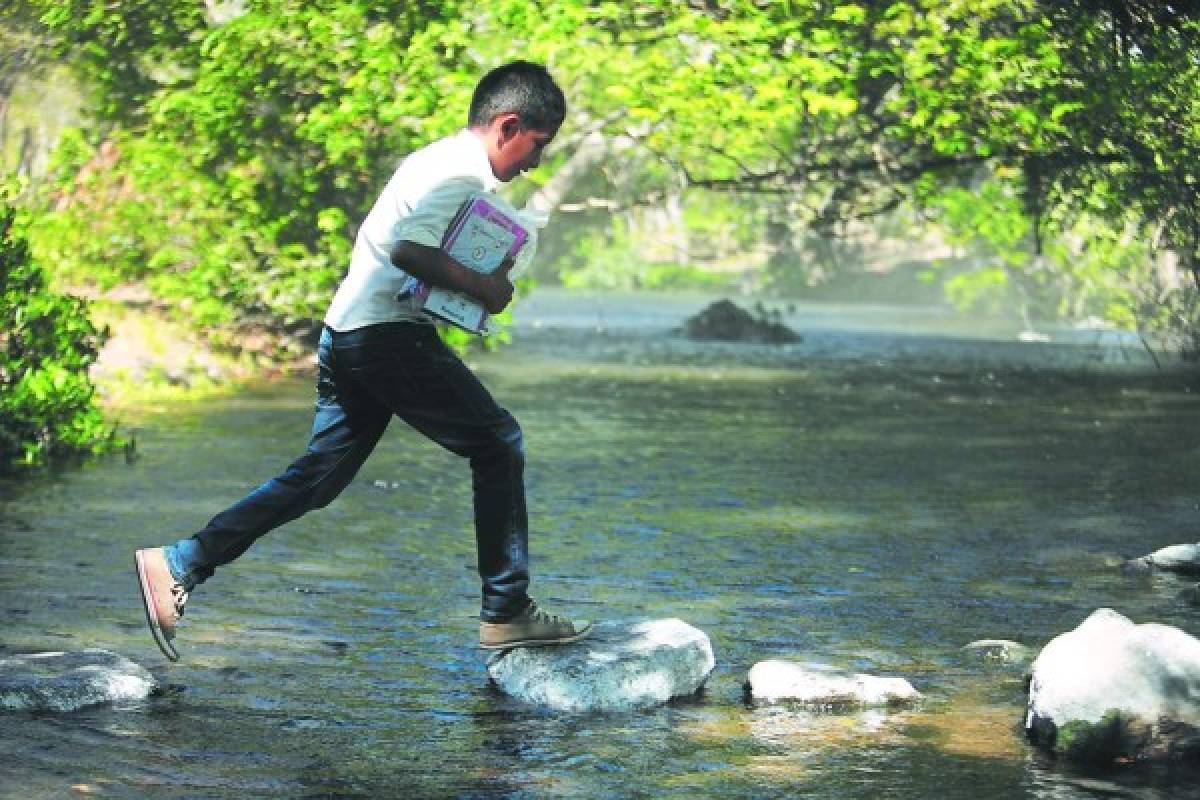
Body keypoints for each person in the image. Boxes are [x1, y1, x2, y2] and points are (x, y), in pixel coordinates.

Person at [135, 61, 592, 662]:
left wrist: (478, 278)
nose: (535, 162)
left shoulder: (439, 161)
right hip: (386, 337)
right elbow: (408, 249)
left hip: (350, 331)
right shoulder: (459, 172)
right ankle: (506, 611)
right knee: (497, 441)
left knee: (318, 479)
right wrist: (482, 289)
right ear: (508, 125)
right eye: (538, 145)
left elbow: (411, 245)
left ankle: (181, 562)